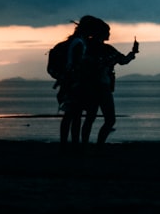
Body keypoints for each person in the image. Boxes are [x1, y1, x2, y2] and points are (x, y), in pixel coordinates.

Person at [78, 17, 138, 147]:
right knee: (109, 120)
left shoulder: (85, 47)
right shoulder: (106, 49)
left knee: (90, 119)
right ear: (101, 33)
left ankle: (85, 146)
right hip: (102, 88)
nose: (110, 34)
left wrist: (132, 53)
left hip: (89, 87)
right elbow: (123, 60)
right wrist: (132, 54)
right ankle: (98, 146)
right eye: (108, 31)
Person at [58, 16, 101, 150]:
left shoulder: (75, 41)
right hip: (75, 83)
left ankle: (67, 144)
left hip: (71, 82)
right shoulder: (79, 43)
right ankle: (71, 145)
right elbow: (76, 64)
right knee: (73, 115)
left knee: (72, 115)